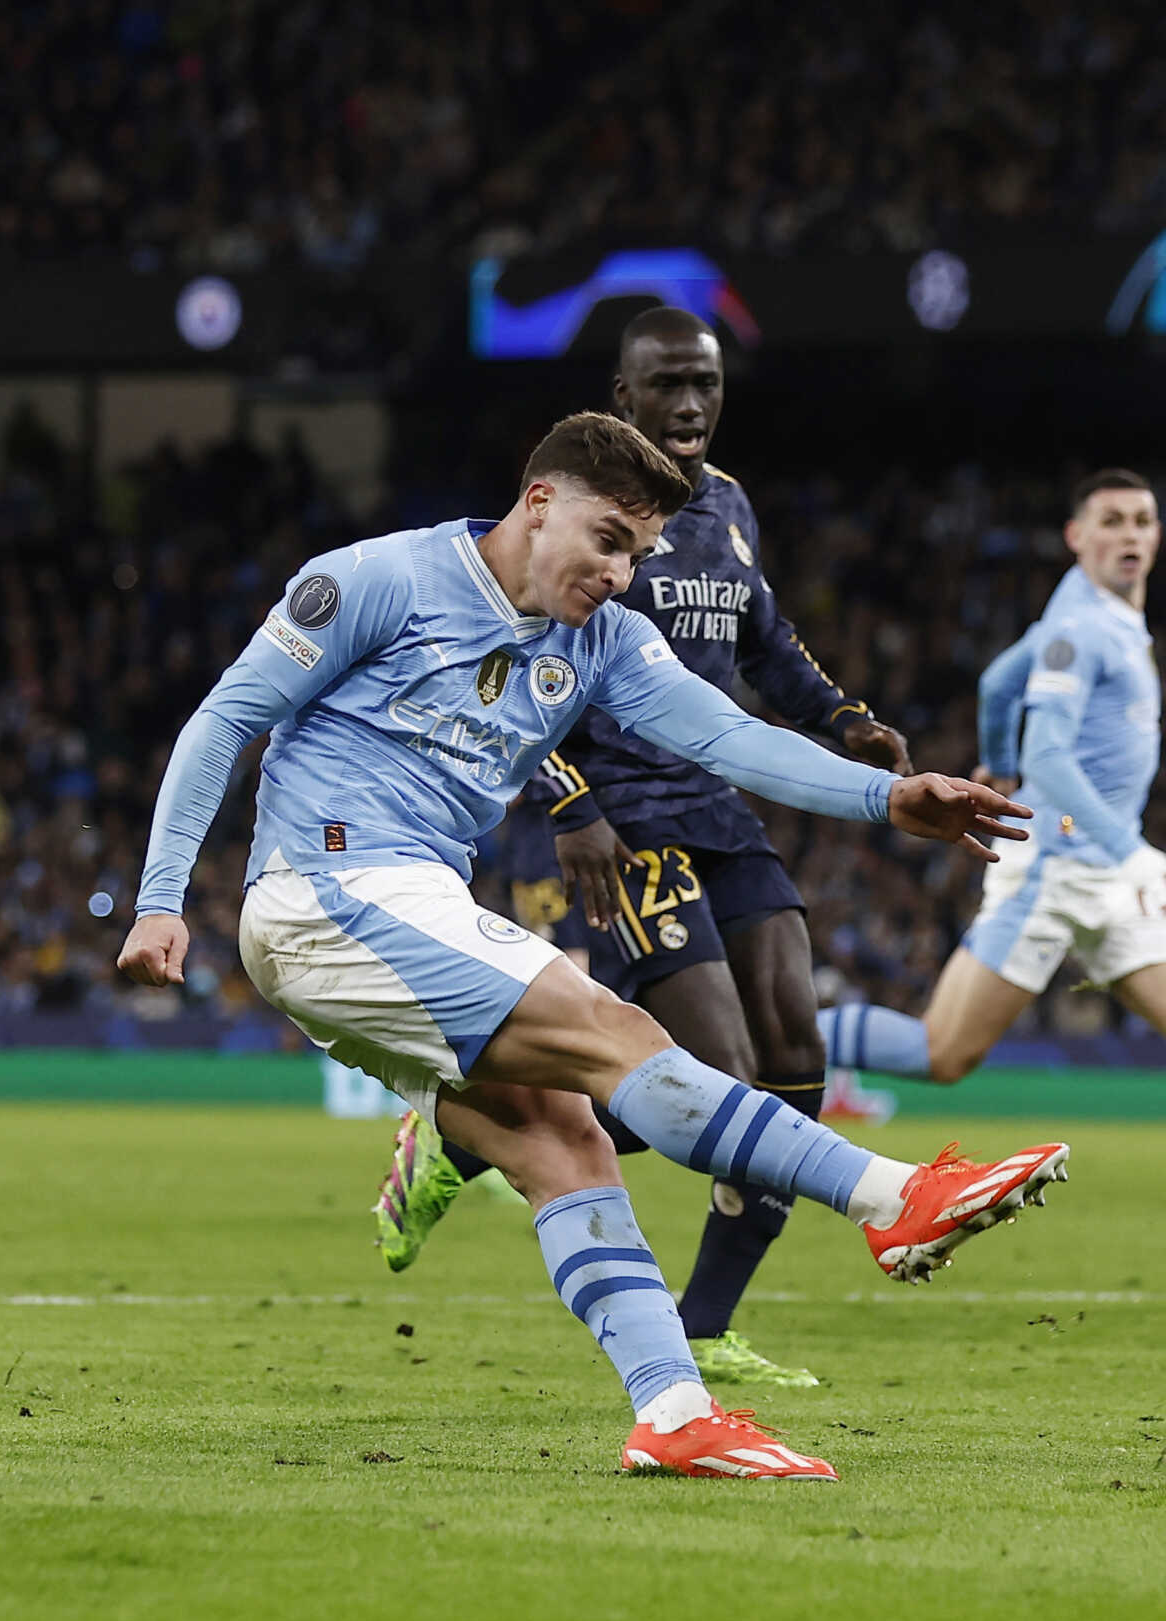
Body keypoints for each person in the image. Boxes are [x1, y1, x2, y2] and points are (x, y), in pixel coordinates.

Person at [120, 411, 1070, 1480]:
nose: (621, 573)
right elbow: (225, 720)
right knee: (615, 1030)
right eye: (608, 539)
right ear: (539, 503)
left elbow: (727, 735)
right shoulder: (379, 579)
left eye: (639, 553)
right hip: (325, 888)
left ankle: (673, 1412)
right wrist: (161, 899)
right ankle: (894, 1198)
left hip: (402, 901)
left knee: (562, 1139)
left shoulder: (604, 640)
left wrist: (885, 797)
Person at [371, 306, 912, 1393]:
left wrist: (842, 720)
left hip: (715, 806)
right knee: (717, 1076)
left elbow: (767, 641)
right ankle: (464, 1136)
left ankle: (706, 1323)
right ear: (623, 398)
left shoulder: (730, 508)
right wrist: (570, 800)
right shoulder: (585, 516)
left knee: (793, 1059)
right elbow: (512, 665)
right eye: (668, 383)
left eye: (706, 382)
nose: (692, 402)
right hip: (620, 814)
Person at [818, 471, 1166, 1289]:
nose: (1130, 534)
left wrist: (995, 763)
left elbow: (998, 683)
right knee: (942, 1052)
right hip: (1057, 867)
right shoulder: (1082, 627)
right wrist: (1128, 845)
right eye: (1111, 520)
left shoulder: (1087, 618)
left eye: (1143, 520)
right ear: (1077, 536)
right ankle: (776, 1035)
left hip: (1102, 870)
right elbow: (1049, 757)